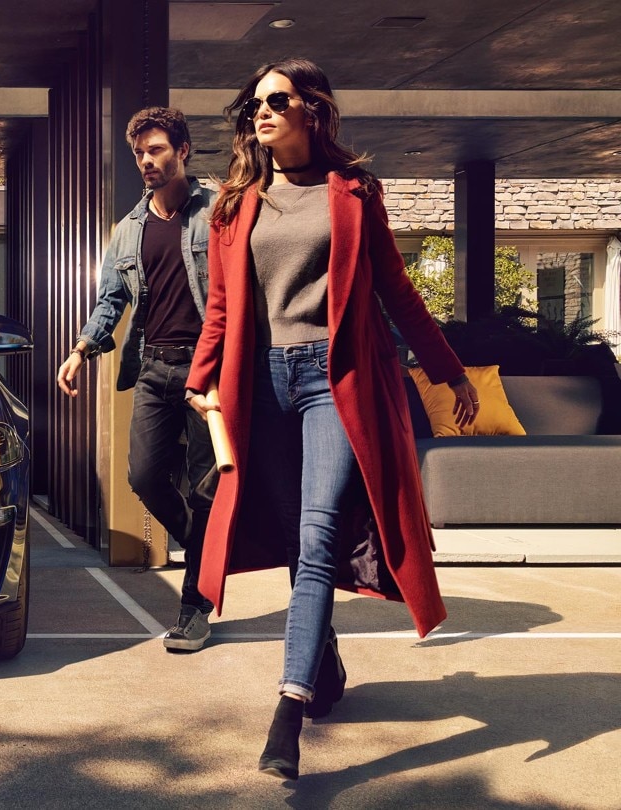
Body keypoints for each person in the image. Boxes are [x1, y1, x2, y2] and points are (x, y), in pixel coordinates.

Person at [184, 57, 481, 781]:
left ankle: (288, 708)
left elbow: (398, 292)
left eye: (277, 100)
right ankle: (324, 661)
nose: (261, 113)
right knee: (294, 537)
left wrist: (448, 370)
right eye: (253, 104)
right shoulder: (235, 203)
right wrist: (200, 381)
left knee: (318, 533)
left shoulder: (354, 192)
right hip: (262, 389)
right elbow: (223, 307)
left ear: (311, 109)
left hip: (333, 382)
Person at [57, 107, 218, 652]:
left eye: (156, 151)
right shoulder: (129, 230)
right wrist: (82, 348)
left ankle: (194, 607)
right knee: (144, 476)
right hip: (154, 366)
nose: (147, 162)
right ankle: (207, 550)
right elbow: (112, 299)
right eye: (139, 154)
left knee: (203, 489)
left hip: (208, 367)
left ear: (183, 150)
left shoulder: (217, 212)